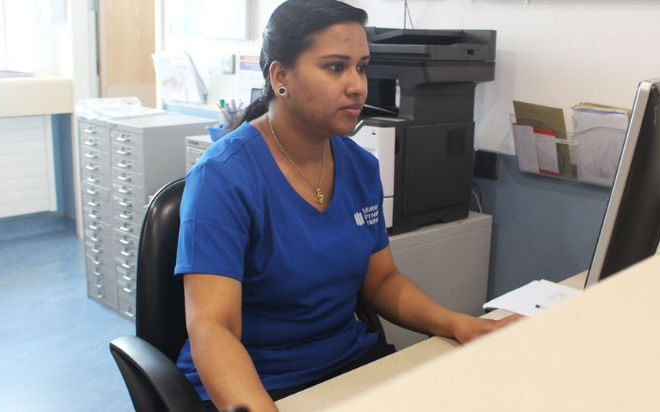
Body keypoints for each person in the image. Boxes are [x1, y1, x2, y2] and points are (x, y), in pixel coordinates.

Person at [174, 1, 523, 411]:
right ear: (281, 76)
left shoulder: (359, 166)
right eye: (336, 67)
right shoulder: (223, 177)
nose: (358, 85)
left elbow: (381, 282)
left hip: (349, 366)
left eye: (362, 66)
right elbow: (213, 328)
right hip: (259, 383)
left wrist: (457, 323)